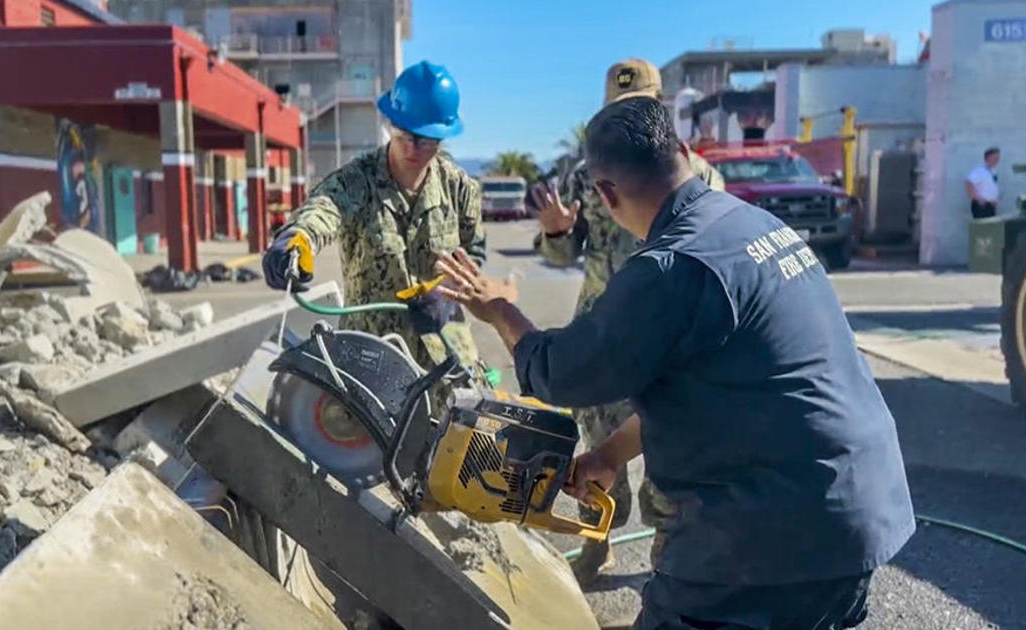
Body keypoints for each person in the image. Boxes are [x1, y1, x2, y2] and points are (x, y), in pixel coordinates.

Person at [434, 96, 915, 630]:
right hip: (854, 519)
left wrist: (499, 308)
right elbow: (715, 384)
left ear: (606, 194)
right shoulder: (753, 224)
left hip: (769, 540)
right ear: (683, 152)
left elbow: (562, 372)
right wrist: (611, 454)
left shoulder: (673, 265)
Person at [530, 58, 726, 582]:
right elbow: (560, 254)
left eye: (641, 106)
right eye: (620, 109)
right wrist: (555, 232)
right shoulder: (585, 173)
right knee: (597, 453)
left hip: (672, 342)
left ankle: (669, 560)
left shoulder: (702, 176)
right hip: (607, 331)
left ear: (660, 108)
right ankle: (598, 542)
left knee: (670, 449)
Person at [262, 60, 487, 389]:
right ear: (391, 122)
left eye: (425, 140)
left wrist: (450, 293)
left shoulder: (459, 189)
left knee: (466, 435)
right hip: (370, 360)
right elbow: (323, 210)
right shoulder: (357, 181)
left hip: (447, 356)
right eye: (404, 133)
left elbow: (474, 255)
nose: (412, 147)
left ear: (441, 137)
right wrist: (297, 240)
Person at [967, 147, 1001, 219]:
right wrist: (977, 198)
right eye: (995, 157)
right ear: (988, 158)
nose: (997, 160)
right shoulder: (979, 170)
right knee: (982, 228)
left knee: (990, 228)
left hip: (990, 206)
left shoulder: (993, 171)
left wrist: (994, 200)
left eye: (998, 158)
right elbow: (969, 183)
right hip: (981, 206)